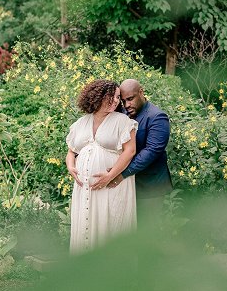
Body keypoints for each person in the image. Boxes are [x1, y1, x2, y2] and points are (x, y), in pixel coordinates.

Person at [65, 79, 138, 254]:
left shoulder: (123, 121)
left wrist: (110, 175)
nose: (115, 101)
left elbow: (130, 151)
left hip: (112, 185)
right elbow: (70, 152)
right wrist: (70, 167)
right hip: (84, 188)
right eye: (111, 96)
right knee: (85, 225)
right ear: (97, 96)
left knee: (111, 224)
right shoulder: (80, 123)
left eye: (118, 97)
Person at [98, 78, 172, 225]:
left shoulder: (157, 117)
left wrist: (122, 174)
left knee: (149, 229)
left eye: (130, 99)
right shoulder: (124, 113)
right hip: (127, 185)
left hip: (150, 186)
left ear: (141, 92)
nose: (127, 105)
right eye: (123, 101)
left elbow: (151, 151)